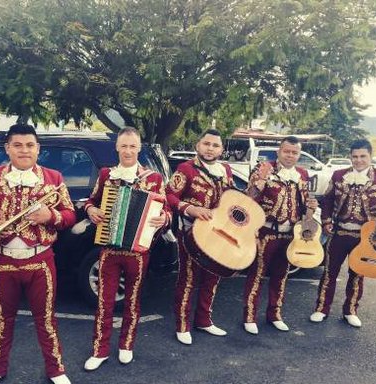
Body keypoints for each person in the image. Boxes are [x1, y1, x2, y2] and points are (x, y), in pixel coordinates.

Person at [0, 124, 76, 384]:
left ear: (38, 149)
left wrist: (50, 216)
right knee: (2, 319)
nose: (24, 150)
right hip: (2, 259)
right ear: (7, 148)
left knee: (46, 319)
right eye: (17, 145)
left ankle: (56, 369)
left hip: (40, 260)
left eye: (30, 145)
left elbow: (70, 214)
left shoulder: (54, 177)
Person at [83, 127, 171, 371]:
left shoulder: (153, 179)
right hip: (110, 249)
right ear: (117, 147)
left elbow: (167, 211)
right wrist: (91, 210)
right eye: (124, 146)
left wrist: (163, 218)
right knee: (105, 301)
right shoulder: (106, 175)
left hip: (138, 251)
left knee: (132, 302)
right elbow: (91, 201)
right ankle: (100, 350)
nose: (128, 150)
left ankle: (126, 345)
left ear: (139, 148)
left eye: (133, 146)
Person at [310, 139, 376, 328]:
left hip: (366, 237)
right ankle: (321, 309)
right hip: (339, 232)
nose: (358, 160)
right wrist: (326, 222)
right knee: (328, 273)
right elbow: (327, 200)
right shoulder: (338, 174)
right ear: (350, 157)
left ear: (370, 157)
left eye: (363, 156)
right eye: (355, 156)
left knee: (357, 274)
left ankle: (350, 311)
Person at [242, 136, 318, 335]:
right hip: (265, 231)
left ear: (299, 154)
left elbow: (303, 205)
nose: (290, 156)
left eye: (294, 152)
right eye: (287, 151)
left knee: (281, 276)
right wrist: (260, 181)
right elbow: (248, 198)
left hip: (290, 234)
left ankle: (274, 314)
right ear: (279, 151)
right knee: (256, 274)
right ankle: (249, 316)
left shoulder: (302, 174)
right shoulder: (264, 168)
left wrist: (311, 209)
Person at [166, 129, 234, 345]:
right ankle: (183, 325)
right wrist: (190, 209)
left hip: (218, 234)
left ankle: (204, 320)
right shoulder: (185, 168)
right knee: (187, 279)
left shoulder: (226, 170)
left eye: (215, 145)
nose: (210, 148)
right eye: (206, 143)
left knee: (212, 277)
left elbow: (231, 198)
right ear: (198, 145)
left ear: (221, 149)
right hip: (190, 233)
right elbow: (169, 195)